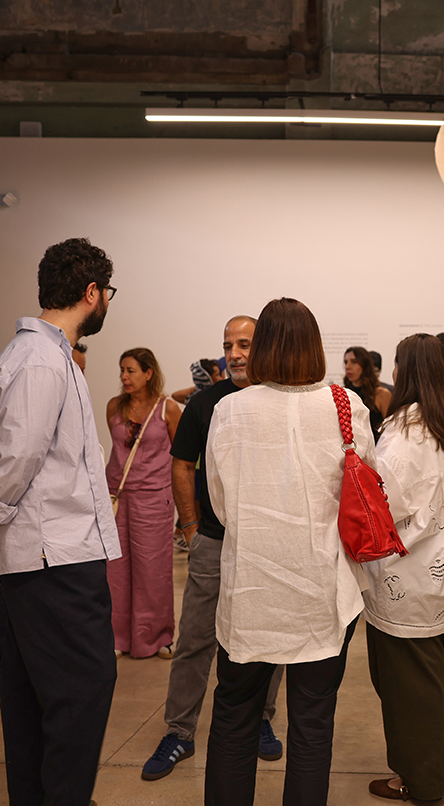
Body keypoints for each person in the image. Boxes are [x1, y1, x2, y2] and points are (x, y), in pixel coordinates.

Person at [0, 237, 121, 806]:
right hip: (55, 558)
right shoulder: (41, 358)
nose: (108, 302)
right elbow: (17, 458)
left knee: (31, 696)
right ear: (91, 292)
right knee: (81, 691)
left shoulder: (45, 354)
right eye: (108, 292)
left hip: (46, 556)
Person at [204, 298, 372, 806]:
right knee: (313, 724)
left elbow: (221, 504)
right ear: (313, 346)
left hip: (251, 590)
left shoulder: (230, 409)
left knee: (234, 716)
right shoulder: (347, 406)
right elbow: (364, 491)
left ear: (262, 348)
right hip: (323, 590)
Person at [141, 315, 285, 782]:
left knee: (267, 638)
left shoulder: (281, 401)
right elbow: (182, 464)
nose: (235, 354)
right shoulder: (205, 403)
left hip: (266, 546)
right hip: (213, 541)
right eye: (228, 345)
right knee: (196, 640)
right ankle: (179, 731)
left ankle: (261, 719)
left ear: (264, 346)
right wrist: (190, 528)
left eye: (244, 344)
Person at [362, 334, 444, 803]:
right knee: (442, 675)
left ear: (404, 372)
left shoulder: (403, 434)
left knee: (409, 690)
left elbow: (384, 507)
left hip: (410, 584)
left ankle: (421, 781)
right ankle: (441, 739)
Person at [0, 339, 90, 707]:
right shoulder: (39, 369)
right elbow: (18, 459)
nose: (78, 375)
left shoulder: (67, 392)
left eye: (82, 370)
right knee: (14, 610)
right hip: (34, 537)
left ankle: (11, 676)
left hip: (60, 538)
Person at [105, 348, 182, 659]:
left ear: (148, 373)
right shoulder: (114, 406)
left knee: (153, 569)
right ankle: (118, 637)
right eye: (122, 370)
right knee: (115, 570)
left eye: (131, 370)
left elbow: (181, 456)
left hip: (154, 499)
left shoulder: (168, 409)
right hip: (116, 496)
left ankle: (157, 636)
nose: (124, 376)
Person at [344, 345, 392, 439]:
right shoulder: (343, 394)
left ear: (365, 365)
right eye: (346, 362)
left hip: (377, 446)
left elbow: (390, 429)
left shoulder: (381, 394)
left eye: (354, 362)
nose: (347, 367)